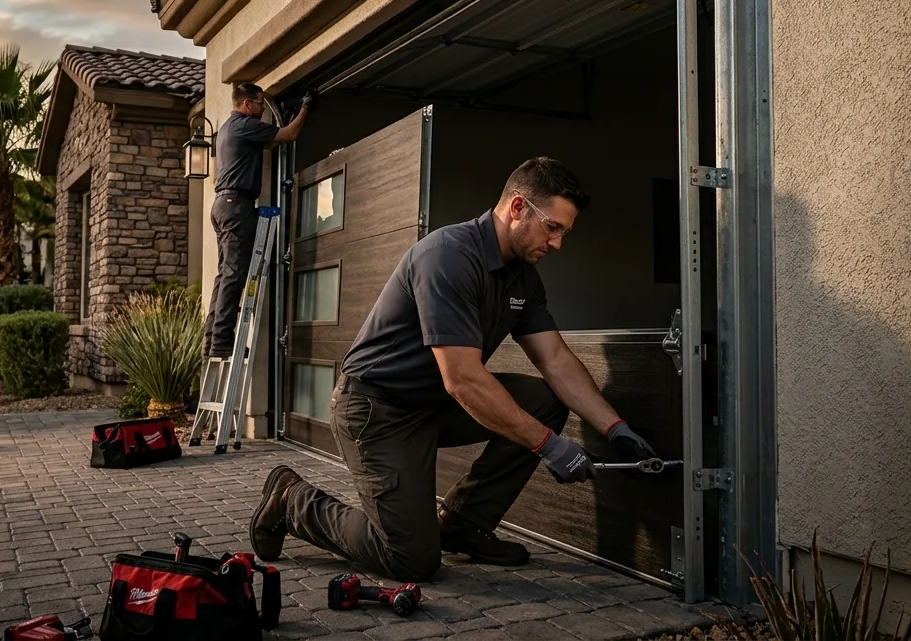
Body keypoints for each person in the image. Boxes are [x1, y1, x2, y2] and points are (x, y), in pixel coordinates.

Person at [247, 156, 657, 582]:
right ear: (518, 208)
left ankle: (463, 525)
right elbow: (462, 379)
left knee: (544, 401)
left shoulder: (523, 279)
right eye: (552, 227)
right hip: (376, 411)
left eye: (564, 233)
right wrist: (550, 447)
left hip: (433, 405)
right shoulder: (448, 257)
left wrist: (615, 429)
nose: (557, 243)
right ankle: (291, 499)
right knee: (410, 560)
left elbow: (556, 361)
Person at [203, 82, 317, 359]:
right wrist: (306, 108)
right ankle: (221, 341)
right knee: (234, 274)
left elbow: (271, 139)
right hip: (236, 206)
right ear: (246, 104)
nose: (261, 110)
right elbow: (289, 134)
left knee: (225, 274)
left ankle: (212, 340)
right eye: (259, 104)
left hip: (223, 205)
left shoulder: (230, 129)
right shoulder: (243, 125)